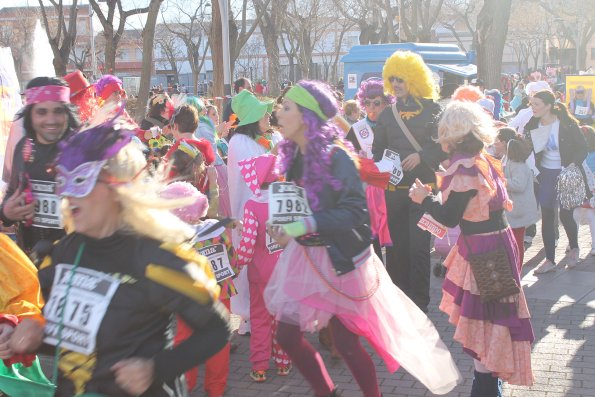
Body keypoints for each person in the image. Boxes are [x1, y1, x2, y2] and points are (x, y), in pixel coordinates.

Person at [7, 108, 230, 397]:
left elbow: (217, 329)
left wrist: (155, 368)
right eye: (63, 182)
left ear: (117, 187)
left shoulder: (155, 260)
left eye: (81, 182)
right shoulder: (61, 254)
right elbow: (65, 335)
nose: (68, 195)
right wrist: (29, 331)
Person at [266, 80, 461, 397]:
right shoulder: (294, 157)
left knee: (346, 343)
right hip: (307, 258)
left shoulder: (337, 157)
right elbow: (296, 207)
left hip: (344, 260)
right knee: (287, 336)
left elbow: (355, 213)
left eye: (287, 107)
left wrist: (303, 225)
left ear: (307, 116)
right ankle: (325, 391)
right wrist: (282, 226)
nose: (278, 113)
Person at [409, 100, 534, 396]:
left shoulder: (465, 168)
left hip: (485, 252)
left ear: (451, 135)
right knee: (494, 319)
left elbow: (449, 217)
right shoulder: (484, 160)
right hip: (496, 244)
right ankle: (491, 382)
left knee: (488, 322)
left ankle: (488, 387)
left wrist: (422, 199)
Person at [372, 50, 446, 313]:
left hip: (423, 192)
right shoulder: (387, 115)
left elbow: (444, 146)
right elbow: (378, 150)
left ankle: (420, 305)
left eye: (401, 79)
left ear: (414, 79)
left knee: (419, 251)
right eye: (392, 79)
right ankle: (399, 302)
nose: (396, 84)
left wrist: (422, 155)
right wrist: (382, 166)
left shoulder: (434, 111)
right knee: (396, 249)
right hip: (394, 193)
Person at [161, 181, 237, 397]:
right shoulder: (217, 229)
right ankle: (216, 389)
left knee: (185, 339)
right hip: (221, 292)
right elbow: (232, 261)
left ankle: (186, 385)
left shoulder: (174, 239)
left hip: (190, 297)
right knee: (220, 341)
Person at [0, 77, 79, 255]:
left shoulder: (82, 149)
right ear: (30, 115)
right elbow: (14, 191)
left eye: (58, 111)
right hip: (30, 257)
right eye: (41, 112)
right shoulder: (24, 147)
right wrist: (6, 212)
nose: (51, 120)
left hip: (73, 259)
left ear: (67, 112)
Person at [227, 89, 280, 336]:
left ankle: (258, 314)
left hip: (260, 212)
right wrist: (278, 156)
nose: (268, 117)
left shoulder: (254, 141)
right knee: (250, 264)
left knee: (261, 262)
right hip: (249, 213)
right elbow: (259, 173)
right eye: (263, 114)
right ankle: (249, 317)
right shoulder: (240, 142)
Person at [235, 154, 291, 382]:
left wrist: (238, 264)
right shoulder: (286, 201)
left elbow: (247, 246)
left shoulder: (252, 205)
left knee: (259, 319)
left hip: (259, 273)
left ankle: (259, 366)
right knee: (282, 318)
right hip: (285, 271)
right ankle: (283, 363)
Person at [527, 90, 587, 274]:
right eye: (531, 104)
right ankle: (550, 260)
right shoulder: (533, 124)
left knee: (566, 214)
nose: (533, 107)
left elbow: (582, 148)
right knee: (547, 215)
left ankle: (575, 248)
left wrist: (571, 165)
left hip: (565, 173)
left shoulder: (567, 123)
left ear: (548, 105)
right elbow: (528, 148)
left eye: (536, 104)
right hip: (544, 174)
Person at [345, 78, 395, 257]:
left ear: (386, 104)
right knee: (372, 244)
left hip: (392, 189)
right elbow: (346, 159)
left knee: (394, 241)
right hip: (367, 193)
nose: (371, 108)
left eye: (377, 103)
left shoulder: (395, 127)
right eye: (367, 103)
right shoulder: (357, 129)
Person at [493, 127, 539, 268]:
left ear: (505, 142)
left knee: (517, 242)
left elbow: (519, 185)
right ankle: (514, 270)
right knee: (513, 241)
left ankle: (516, 271)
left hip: (518, 211)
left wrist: (500, 181)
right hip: (515, 210)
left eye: (498, 141)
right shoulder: (509, 159)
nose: (495, 143)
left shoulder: (516, 163)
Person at [189, 97, 231, 218]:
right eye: (213, 114)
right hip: (214, 169)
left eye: (217, 113)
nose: (216, 117)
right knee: (222, 209)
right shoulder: (202, 125)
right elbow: (209, 149)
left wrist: (218, 134)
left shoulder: (200, 125)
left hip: (211, 169)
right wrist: (216, 131)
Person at [573, 125, 595, 256]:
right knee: (591, 217)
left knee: (575, 216)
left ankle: (572, 244)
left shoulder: (576, 154)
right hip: (589, 192)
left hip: (582, 191)